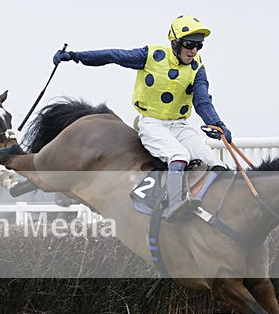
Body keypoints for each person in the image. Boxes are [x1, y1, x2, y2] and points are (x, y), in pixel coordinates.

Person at [53, 15, 231, 222]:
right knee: (179, 155)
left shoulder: (197, 67)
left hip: (180, 126)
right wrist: (75, 56)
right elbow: (113, 56)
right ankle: (175, 204)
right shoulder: (151, 56)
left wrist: (218, 124)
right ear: (175, 43)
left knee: (214, 162)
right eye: (189, 45)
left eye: (198, 46)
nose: (193, 51)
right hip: (152, 124)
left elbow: (202, 101)